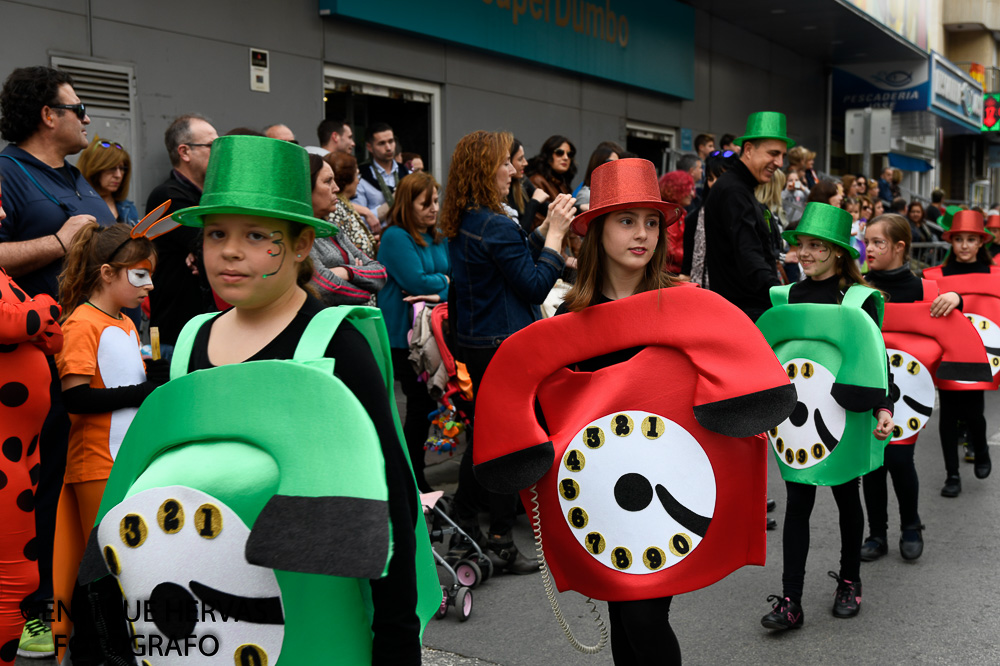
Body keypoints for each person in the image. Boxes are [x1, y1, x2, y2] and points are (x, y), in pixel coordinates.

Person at [170, 134, 429, 664]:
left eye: (256, 234)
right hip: (209, 621)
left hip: (321, 621)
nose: (230, 251)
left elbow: (390, 495)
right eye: (216, 233)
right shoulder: (192, 340)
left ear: (301, 244)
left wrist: (397, 637)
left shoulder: (335, 343)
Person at [554, 157, 686, 664]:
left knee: (645, 618)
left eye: (651, 222)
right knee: (621, 618)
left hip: (666, 485)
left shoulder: (680, 304)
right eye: (627, 220)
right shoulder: (570, 317)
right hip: (601, 485)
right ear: (598, 229)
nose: (643, 234)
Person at [0, 67, 115, 643]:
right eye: (80, 108)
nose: (88, 119)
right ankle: (41, 612)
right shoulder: (7, 172)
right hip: (41, 362)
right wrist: (59, 242)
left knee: (94, 479)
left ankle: (87, 602)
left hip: (107, 350)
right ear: (49, 115)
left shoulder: (78, 178)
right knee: (46, 488)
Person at [442, 129, 575, 573]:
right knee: (507, 442)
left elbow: (510, 260)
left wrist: (542, 230)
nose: (514, 169)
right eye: (505, 163)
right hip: (504, 346)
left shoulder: (468, 219)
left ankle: (465, 516)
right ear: (484, 170)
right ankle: (498, 536)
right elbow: (534, 283)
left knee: (488, 435)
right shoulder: (495, 222)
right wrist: (555, 235)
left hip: (479, 343)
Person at [761, 202, 894, 631]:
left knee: (845, 499)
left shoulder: (858, 299)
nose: (806, 253)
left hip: (846, 414)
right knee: (798, 503)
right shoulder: (784, 297)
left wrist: (884, 406)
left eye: (817, 246)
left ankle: (850, 582)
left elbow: (877, 361)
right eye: (802, 245)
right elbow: (767, 360)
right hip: (795, 420)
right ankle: (790, 599)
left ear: (838, 252)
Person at [52, 222, 164, 663]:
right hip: (95, 466)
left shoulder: (124, 323)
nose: (149, 284)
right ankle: (96, 653)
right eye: (139, 274)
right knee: (102, 570)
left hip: (122, 463)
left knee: (123, 565)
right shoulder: (81, 324)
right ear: (106, 273)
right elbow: (75, 398)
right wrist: (142, 390)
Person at [860, 213, 962, 561]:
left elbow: (955, 325)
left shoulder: (925, 289)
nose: (868, 249)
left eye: (877, 242)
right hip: (871, 387)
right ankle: (876, 532)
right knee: (872, 462)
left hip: (909, 392)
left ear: (900, 247)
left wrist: (957, 300)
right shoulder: (858, 287)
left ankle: (911, 524)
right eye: (866, 242)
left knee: (900, 459)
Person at [0, 176, 64, 663]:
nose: (3, 217)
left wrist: (36, 315)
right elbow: (20, 322)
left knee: (21, 570)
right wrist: (37, 311)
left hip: (24, 450)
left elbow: (51, 333)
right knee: (14, 577)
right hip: (5, 453)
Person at [377, 171, 449, 494]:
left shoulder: (437, 235)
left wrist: (442, 287)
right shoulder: (395, 237)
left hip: (434, 332)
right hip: (403, 337)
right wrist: (445, 284)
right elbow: (416, 281)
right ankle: (410, 476)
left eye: (436, 200)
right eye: (426, 203)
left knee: (427, 405)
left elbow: (453, 275)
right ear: (409, 204)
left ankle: (413, 474)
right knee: (418, 405)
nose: (434, 208)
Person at [923, 211, 995, 497]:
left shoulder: (995, 276)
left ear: (981, 243)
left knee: (975, 412)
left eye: (971, 239)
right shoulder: (935, 276)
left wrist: (960, 298)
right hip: (947, 353)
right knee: (950, 415)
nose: (964, 245)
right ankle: (952, 475)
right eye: (959, 239)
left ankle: (982, 448)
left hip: (981, 354)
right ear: (951, 242)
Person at [704, 111, 790, 322]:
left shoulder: (740, 189)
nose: (779, 162)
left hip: (743, 312)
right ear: (749, 150)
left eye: (782, 156)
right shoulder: (734, 191)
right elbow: (749, 256)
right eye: (773, 153)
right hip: (745, 315)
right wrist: (782, 296)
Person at [144, 113, 219, 351]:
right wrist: (201, 246)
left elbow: (207, 243)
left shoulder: (207, 198)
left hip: (206, 329)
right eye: (211, 145)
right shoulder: (166, 195)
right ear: (185, 152)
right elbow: (206, 242)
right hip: (175, 337)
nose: (219, 152)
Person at [308, 154, 386, 307]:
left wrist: (346, 272)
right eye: (328, 181)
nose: (336, 188)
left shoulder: (333, 230)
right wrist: (362, 282)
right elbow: (322, 287)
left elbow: (381, 273)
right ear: (306, 188)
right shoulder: (299, 235)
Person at [683, 150, 740, 288]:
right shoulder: (694, 218)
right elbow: (687, 267)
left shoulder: (747, 213)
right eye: (710, 178)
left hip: (737, 295)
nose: (715, 184)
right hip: (702, 293)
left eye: (720, 178)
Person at [353, 122, 410, 228]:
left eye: (391, 141)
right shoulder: (360, 177)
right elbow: (358, 221)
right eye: (382, 143)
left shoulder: (406, 173)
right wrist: (391, 203)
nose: (388, 148)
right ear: (370, 147)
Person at [75, 137, 139, 225]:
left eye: (122, 169)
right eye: (111, 168)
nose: (118, 175)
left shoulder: (127, 207)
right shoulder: (77, 206)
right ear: (94, 170)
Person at [326, 151, 379, 256]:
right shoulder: (336, 209)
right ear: (346, 179)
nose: (358, 182)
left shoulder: (345, 206)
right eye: (357, 176)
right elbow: (343, 253)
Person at [526, 135, 578, 218]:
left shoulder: (562, 182)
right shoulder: (537, 180)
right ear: (548, 155)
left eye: (569, 154)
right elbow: (537, 218)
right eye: (559, 153)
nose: (565, 157)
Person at [508, 138, 550, 232]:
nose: (525, 163)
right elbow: (519, 235)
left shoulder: (522, 181)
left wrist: (578, 207)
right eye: (520, 159)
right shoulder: (499, 194)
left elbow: (547, 209)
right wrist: (534, 202)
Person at [657, 170, 694, 275]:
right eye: (689, 189)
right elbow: (670, 249)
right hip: (670, 274)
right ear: (678, 190)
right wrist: (691, 258)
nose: (692, 194)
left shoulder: (679, 212)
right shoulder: (671, 214)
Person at [574, 141, 623, 211]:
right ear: (598, 163)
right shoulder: (587, 195)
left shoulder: (613, 194)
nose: (613, 167)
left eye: (617, 164)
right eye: (609, 162)